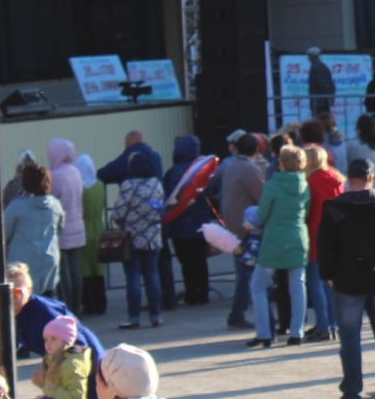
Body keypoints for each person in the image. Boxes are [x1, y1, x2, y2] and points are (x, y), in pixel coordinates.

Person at [315, 159, 375, 399]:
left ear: (349, 177)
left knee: (350, 338)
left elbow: (326, 245)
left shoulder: (335, 207)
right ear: (370, 177)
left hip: (347, 279)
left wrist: (329, 274)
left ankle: (352, 393)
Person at [249, 144, 310, 349]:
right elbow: (307, 211)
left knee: (258, 285)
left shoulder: (273, 185)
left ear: (281, 164)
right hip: (298, 238)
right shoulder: (305, 185)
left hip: (274, 239)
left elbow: (262, 214)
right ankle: (296, 332)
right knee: (298, 286)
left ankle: (264, 333)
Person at [109, 148, 166, 331]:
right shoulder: (156, 184)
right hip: (152, 237)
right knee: (152, 276)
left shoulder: (128, 185)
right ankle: (156, 315)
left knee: (133, 277)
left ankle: (134, 317)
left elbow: (119, 211)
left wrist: (121, 220)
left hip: (131, 238)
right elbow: (160, 208)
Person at [218, 133, 266, 329]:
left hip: (233, 226)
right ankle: (238, 315)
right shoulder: (249, 169)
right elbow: (262, 196)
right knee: (248, 275)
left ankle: (237, 314)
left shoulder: (230, 166)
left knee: (244, 274)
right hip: (245, 228)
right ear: (257, 150)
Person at [160, 136, 213, 308]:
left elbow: (169, 198)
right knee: (200, 259)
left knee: (186, 260)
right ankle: (202, 293)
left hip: (180, 223)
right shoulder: (203, 169)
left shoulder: (173, 172)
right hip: (201, 222)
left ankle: (192, 293)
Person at [3, 162, 65, 297]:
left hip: (22, 270)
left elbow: (3, 234)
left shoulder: (16, 207)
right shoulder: (56, 205)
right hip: (49, 264)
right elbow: (60, 229)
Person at [302, 144, 344, 341]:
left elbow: (306, 209)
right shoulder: (336, 178)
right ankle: (333, 322)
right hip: (337, 235)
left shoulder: (310, 181)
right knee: (331, 283)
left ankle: (323, 325)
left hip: (316, 234)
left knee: (316, 282)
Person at [45, 139, 86, 312]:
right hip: (78, 225)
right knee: (76, 268)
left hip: (63, 228)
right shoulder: (75, 172)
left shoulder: (56, 175)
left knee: (63, 271)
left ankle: (67, 305)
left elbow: (53, 200)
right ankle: (77, 304)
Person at [76, 154, 110, 317]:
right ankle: (101, 303)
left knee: (85, 268)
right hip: (98, 226)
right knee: (98, 266)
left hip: (83, 227)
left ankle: (89, 303)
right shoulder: (100, 185)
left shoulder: (79, 188)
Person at [306, 46, 336, 119]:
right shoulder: (322, 66)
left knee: (320, 120)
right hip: (322, 99)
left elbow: (322, 83)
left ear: (311, 56)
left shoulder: (316, 67)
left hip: (319, 100)